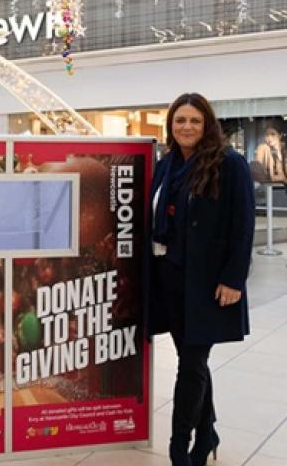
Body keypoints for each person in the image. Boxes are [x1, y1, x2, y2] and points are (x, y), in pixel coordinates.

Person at [147, 93, 254, 466]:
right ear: (171, 126)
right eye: (180, 120)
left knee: (191, 365)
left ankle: (180, 447)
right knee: (192, 360)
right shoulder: (166, 165)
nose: (187, 127)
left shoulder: (229, 164)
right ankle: (207, 433)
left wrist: (233, 278)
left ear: (207, 124)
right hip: (169, 278)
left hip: (206, 283)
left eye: (194, 120)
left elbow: (243, 224)